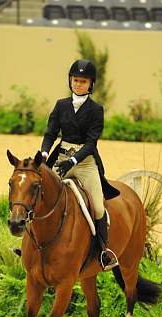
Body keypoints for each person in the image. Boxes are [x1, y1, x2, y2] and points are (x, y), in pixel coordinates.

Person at [40, 59, 120, 271]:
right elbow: (50, 133)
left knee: (98, 206)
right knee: (40, 194)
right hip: (61, 157)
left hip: (85, 163)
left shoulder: (96, 110)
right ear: (70, 81)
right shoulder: (61, 105)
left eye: (83, 81)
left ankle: (103, 252)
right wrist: (44, 152)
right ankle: (31, 244)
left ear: (90, 84)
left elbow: (91, 143)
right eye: (75, 80)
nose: (78, 84)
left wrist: (73, 161)